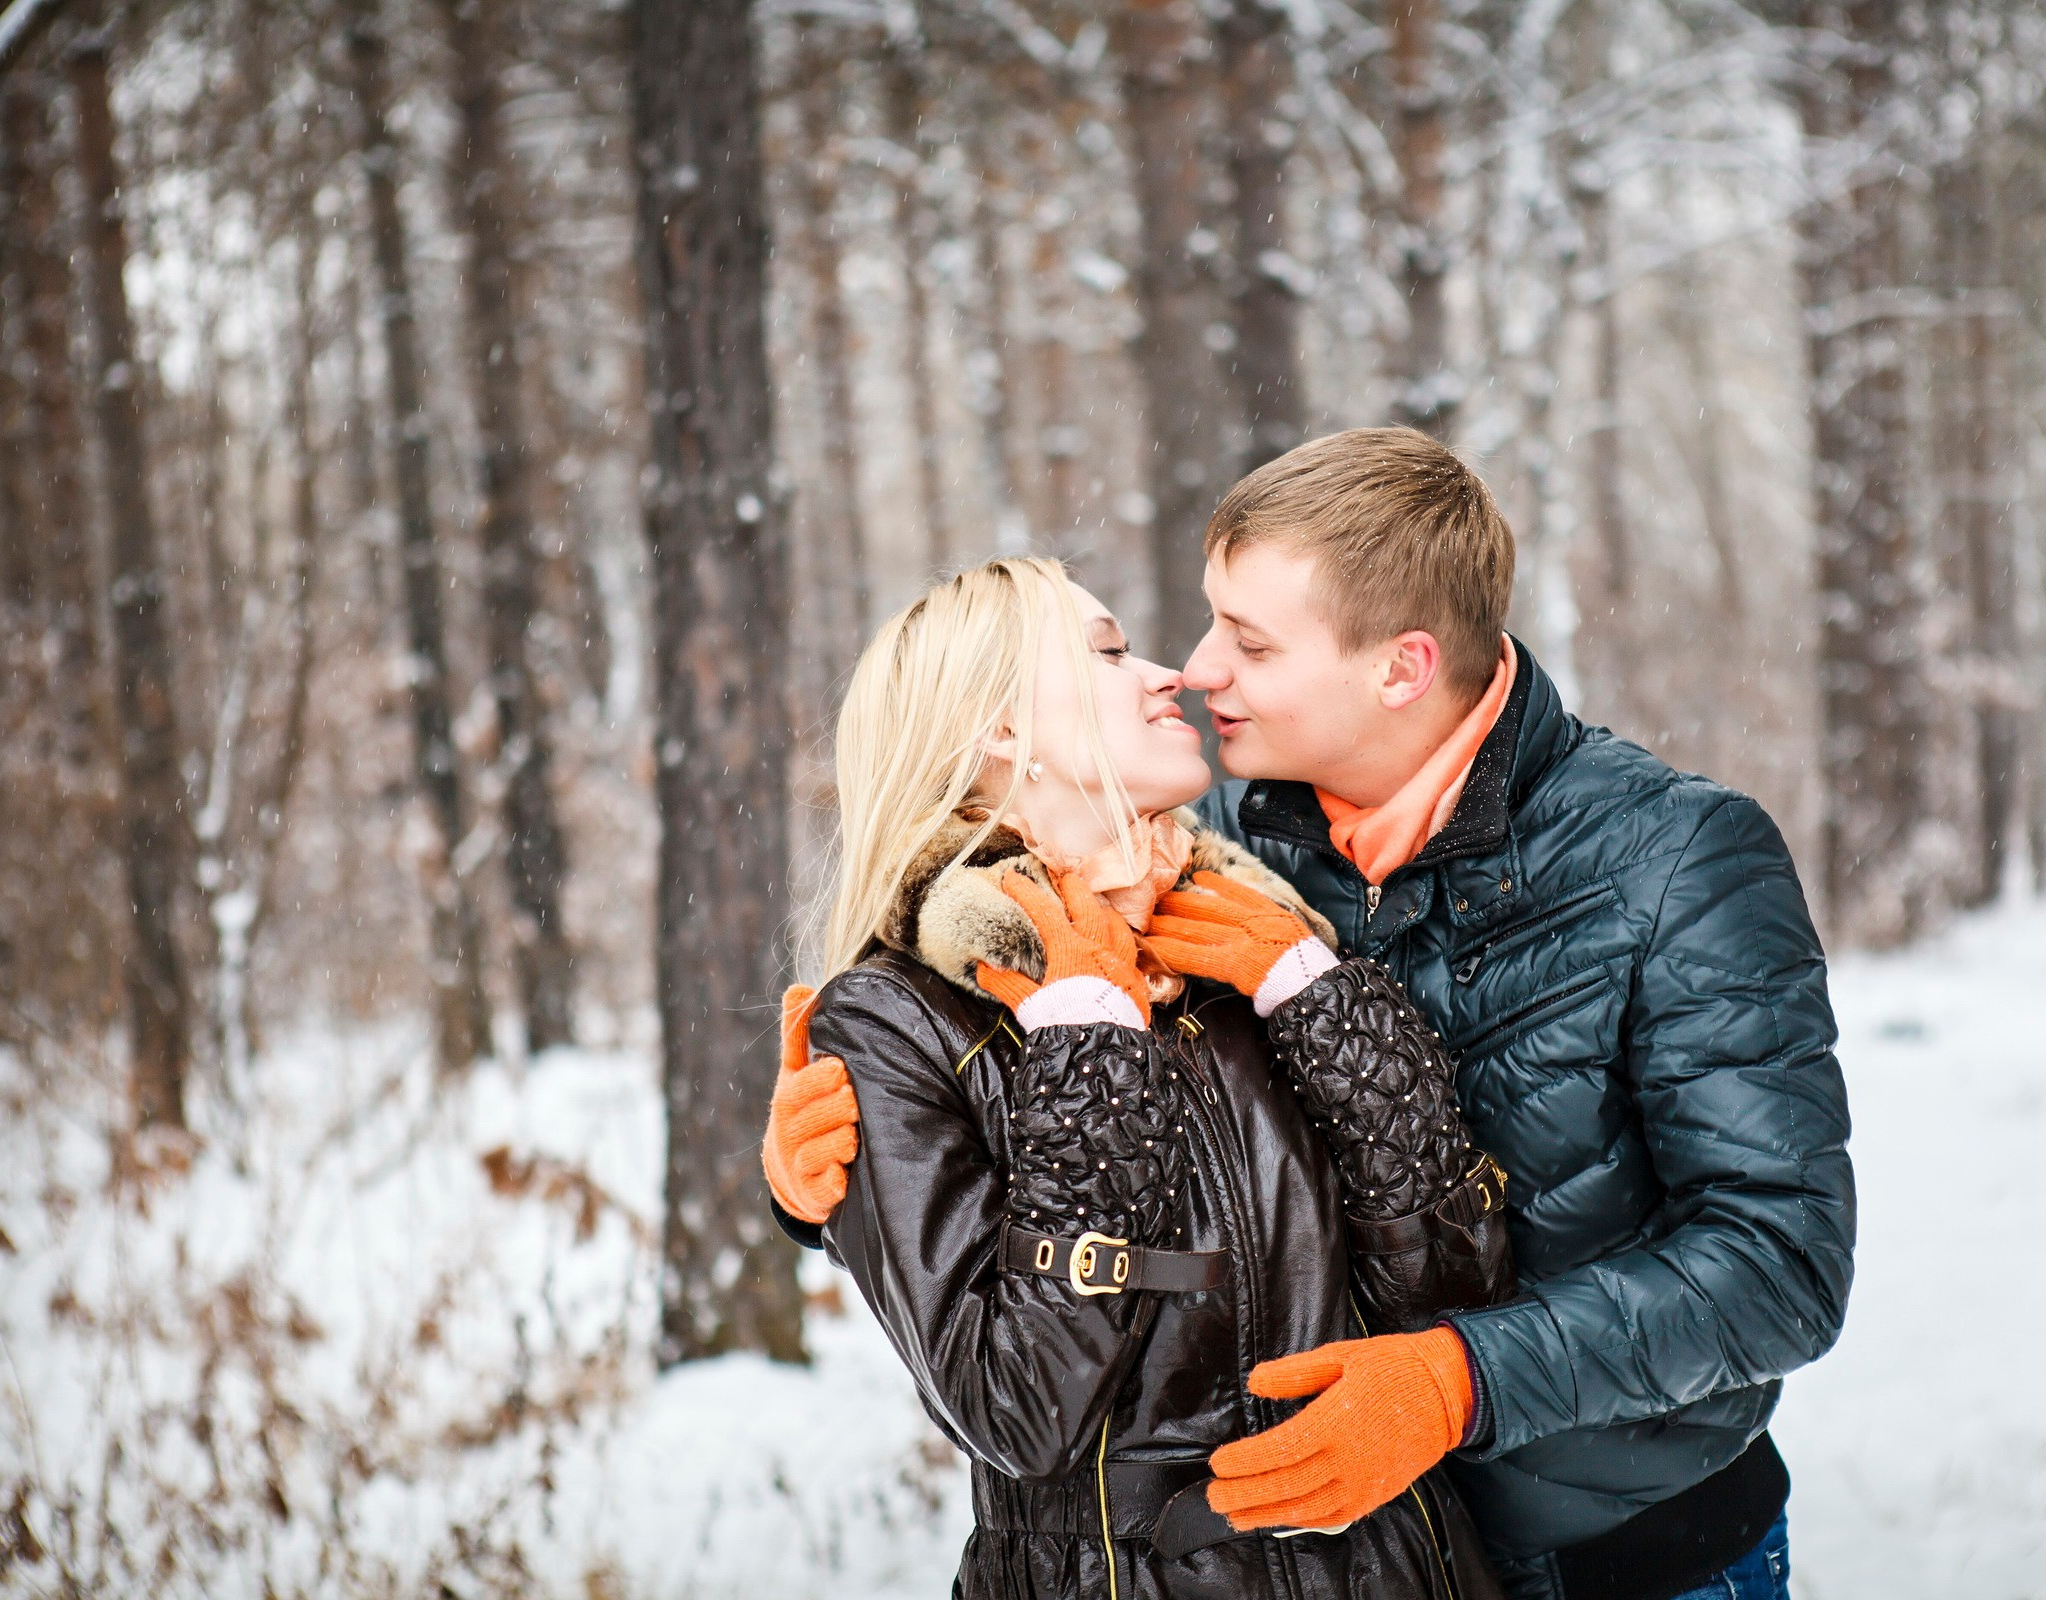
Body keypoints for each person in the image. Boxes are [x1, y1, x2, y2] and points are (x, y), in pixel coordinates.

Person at [769, 430, 1855, 1600]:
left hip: (1627, 1553)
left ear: (1399, 667)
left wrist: (1455, 1381)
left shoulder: (1677, 860)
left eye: (1248, 641)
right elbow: (1047, 1158)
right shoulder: (1214, 840)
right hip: (1383, 1558)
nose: (1193, 671)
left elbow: (1780, 1261)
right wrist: (828, 1183)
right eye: (1202, 622)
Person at [766, 556, 1517, 1600]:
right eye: (1110, 650)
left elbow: (1458, 1290)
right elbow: (1023, 1410)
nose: (1169, 674)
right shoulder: (900, 1021)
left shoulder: (1252, 938)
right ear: (998, 727)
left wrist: (1324, 1006)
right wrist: (1089, 1042)